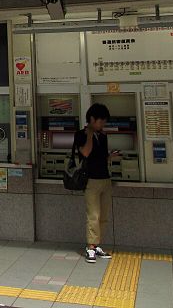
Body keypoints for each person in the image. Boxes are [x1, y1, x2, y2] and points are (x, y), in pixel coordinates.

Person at [74, 103, 119, 263]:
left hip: (105, 179)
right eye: (100, 121)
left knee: (104, 216)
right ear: (92, 119)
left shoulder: (103, 136)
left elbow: (101, 157)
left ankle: (97, 244)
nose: (102, 125)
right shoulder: (80, 134)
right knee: (93, 215)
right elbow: (85, 152)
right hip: (90, 180)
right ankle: (90, 247)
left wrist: (110, 157)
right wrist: (90, 135)